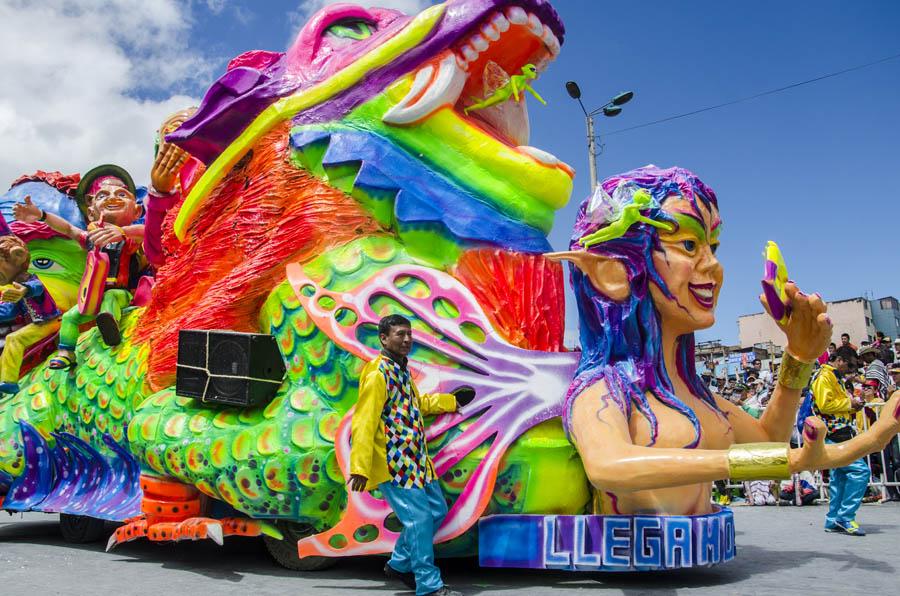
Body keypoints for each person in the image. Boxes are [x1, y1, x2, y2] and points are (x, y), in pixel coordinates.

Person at [546, 165, 900, 522]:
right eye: (689, 244)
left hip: (703, 571)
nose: (714, 265)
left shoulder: (695, 393)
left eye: (712, 246)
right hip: (633, 572)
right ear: (612, 272)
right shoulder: (605, 389)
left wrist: (799, 355)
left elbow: (767, 441)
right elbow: (609, 465)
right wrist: (785, 460)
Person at [348, 314, 472, 596]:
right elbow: (364, 420)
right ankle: (429, 585)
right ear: (383, 338)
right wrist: (360, 466)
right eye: (399, 334)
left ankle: (400, 563)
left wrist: (452, 401)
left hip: (416, 461)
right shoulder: (378, 373)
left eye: (409, 334)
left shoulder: (400, 370)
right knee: (418, 520)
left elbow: (416, 404)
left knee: (437, 511)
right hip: (396, 463)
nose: (406, 339)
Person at [13, 165, 146, 369]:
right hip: (92, 296)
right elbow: (66, 228)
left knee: (111, 298)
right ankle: (67, 352)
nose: (113, 197)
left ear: (136, 210)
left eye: (121, 194)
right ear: (91, 211)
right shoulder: (90, 238)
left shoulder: (131, 238)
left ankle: (109, 325)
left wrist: (123, 231)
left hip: (121, 294)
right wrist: (40, 215)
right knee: (70, 317)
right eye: (103, 194)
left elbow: (149, 230)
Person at [811, 350, 870, 535]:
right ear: (839, 360)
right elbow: (824, 405)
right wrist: (849, 405)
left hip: (839, 431)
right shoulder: (824, 376)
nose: (851, 370)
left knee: (840, 478)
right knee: (860, 471)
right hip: (833, 433)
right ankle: (845, 516)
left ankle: (833, 520)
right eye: (849, 365)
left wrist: (851, 404)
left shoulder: (833, 376)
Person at [0, 234, 61, 394]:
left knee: (14, 339)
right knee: (4, 353)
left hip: (51, 322)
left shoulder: (29, 280)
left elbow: (37, 288)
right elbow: (9, 311)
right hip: (37, 325)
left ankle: (10, 382)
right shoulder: (14, 287)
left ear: (17, 258)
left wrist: (25, 290)